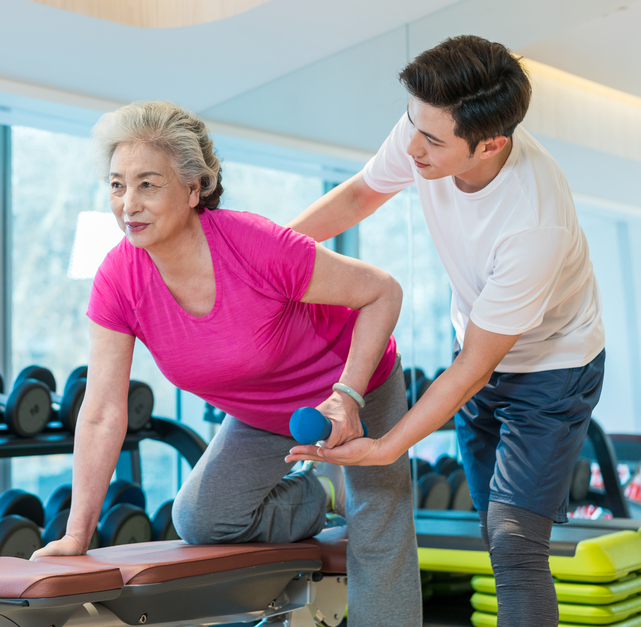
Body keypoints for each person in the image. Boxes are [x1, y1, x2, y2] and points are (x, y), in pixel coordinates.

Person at [32, 100, 422, 627]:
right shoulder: (119, 279)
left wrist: (349, 395)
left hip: (355, 384)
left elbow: (382, 292)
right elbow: (102, 410)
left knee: (377, 530)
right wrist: (76, 534)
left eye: (148, 184)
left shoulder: (255, 245)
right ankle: (313, 496)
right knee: (199, 518)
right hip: (262, 414)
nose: (129, 203)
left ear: (194, 190)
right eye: (118, 185)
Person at [286, 35, 605, 627]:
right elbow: (361, 193)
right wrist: (267, 256)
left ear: (491, 144)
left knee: (514, 542)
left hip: (552, 367)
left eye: (431, 139)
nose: (412, 147)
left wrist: (385, 448)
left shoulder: (534, 223)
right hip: (480, 346)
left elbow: (472, 369)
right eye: (412, 124)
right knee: (491, 523)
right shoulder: (425, 130)